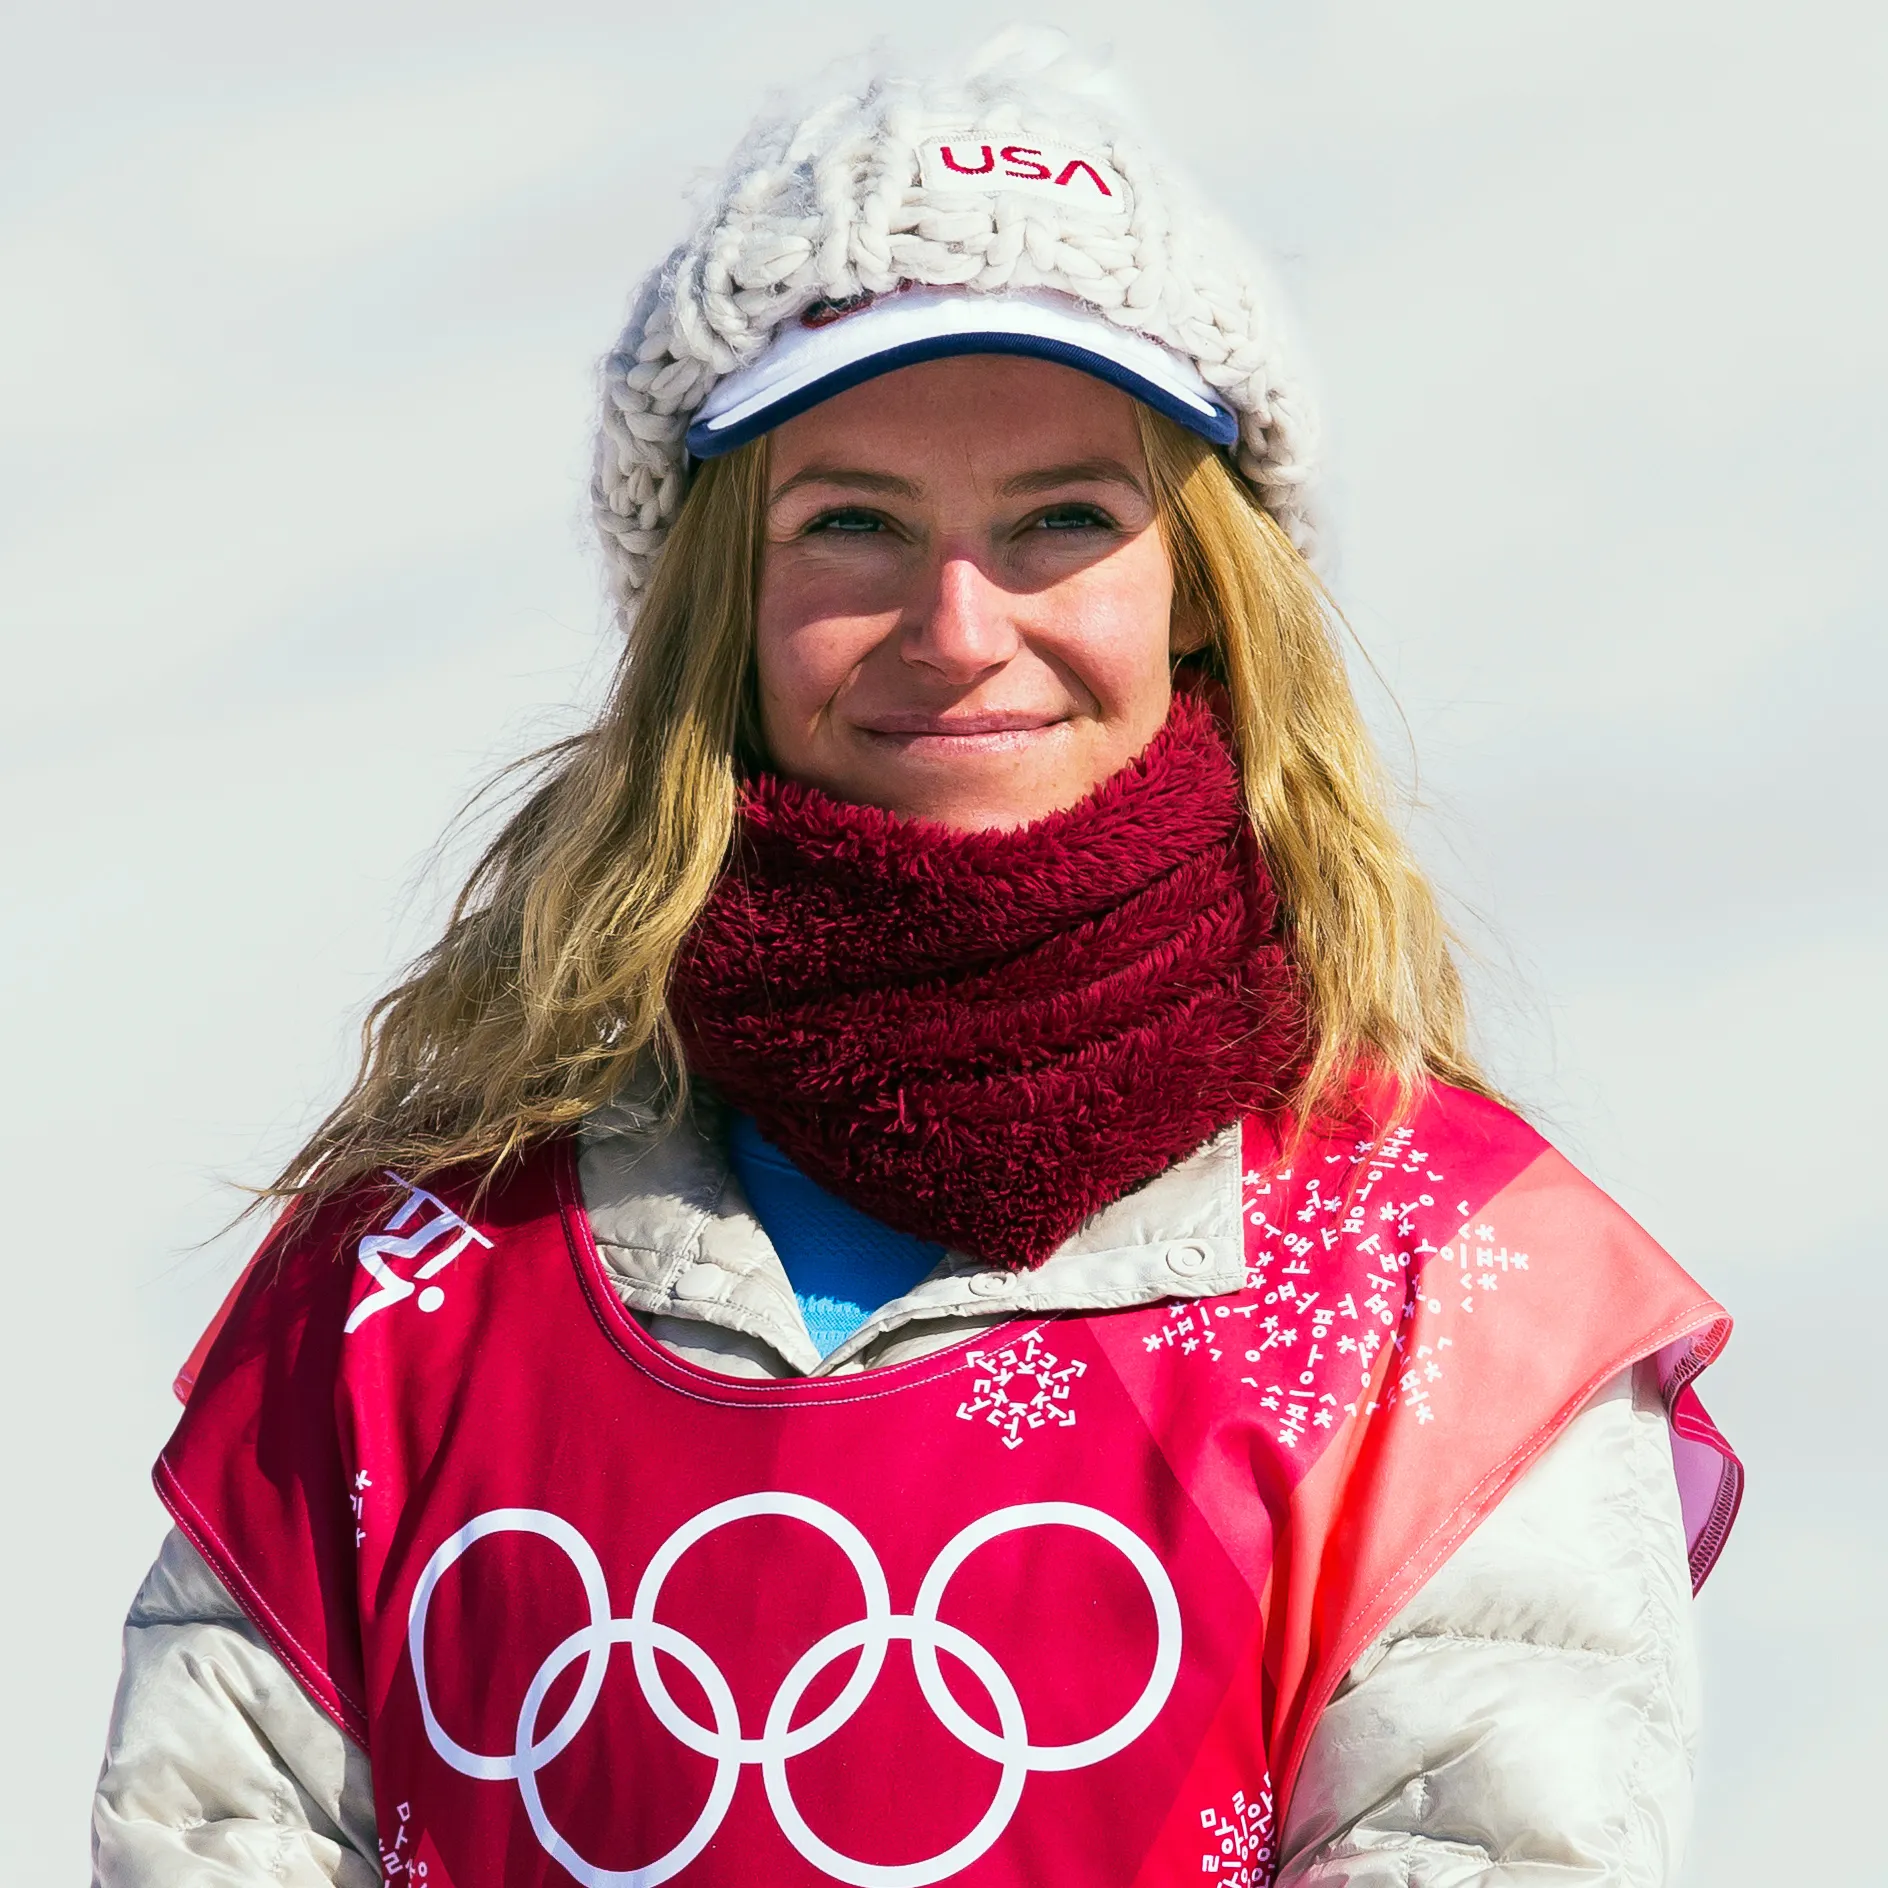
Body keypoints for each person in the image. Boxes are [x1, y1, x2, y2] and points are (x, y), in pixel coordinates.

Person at [92, 39, 1741, 1888]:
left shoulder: (1444, 1294)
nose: (960, 631)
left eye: (1062, 520)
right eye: (853, 523)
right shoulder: (422, 1278)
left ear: (1201, 587)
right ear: (720, 598)